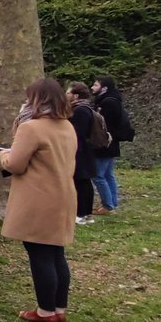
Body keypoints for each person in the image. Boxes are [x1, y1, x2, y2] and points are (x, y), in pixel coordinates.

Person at [0, 79, 78, 322]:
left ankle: (45, 311)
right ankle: (58, 307)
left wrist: (3, 154)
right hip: (63, 194)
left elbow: (15, 163)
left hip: (38, 197)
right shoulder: (67, 126)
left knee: (39, 253)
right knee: (56, 253)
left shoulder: (31, 128)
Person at [91, 76, 125, 214]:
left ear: (104, 88)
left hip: (104, 143)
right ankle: (112, 202)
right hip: (111, 143)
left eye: (95, 84)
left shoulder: (107, 103)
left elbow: (104, 126)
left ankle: (107, 205)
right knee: (107, 174)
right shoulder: (114, 100)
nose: (92, 87)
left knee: (98, 175)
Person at [67, 82, 98, 225]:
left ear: (76, 95)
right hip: (84, 151)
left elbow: (77, 133)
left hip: (81, 152)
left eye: (68, 93)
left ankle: (82, 213)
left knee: (81, 182)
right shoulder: (86, 108)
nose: (66, 95)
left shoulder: (80, 111)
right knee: (83, 182)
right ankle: (85, 213)